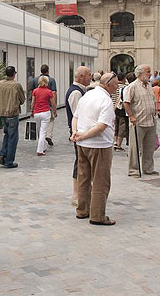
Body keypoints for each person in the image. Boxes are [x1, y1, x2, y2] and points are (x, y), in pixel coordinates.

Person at [70, 72, 119, 226]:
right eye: (116, 85)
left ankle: (82, 210)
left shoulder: (87, 96)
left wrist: (75, 133)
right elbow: (102, 126)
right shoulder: (105, 100)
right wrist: (82, 135)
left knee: (83, 178)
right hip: (99, 145)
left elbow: (75, 117)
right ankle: (97, 215)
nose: (117, 87)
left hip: (83, 145)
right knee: (100, 181)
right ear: (108, 84)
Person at [124, 65, 158, 177]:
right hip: (138, 121)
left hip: (151, 120)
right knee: (135, 147)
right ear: (140, 74)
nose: (150, 74)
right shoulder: (132, 87)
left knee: (149, 147)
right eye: (148, 72)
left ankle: (148, 168)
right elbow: (126, 102)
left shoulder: (149, 85)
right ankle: (133, 170)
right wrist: (131, 116)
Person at [66, 66, 92, 205]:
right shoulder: (76, 93)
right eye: (88, 74)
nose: (91, 77)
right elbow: (78, 115)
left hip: (81, 132)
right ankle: (76, 195)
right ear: (81, 76)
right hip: (78, 132)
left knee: (82, 161)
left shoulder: (82, 90)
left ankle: (84, 192)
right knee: (80, 161)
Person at [0, 66, 26, 169]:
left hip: (2, 113)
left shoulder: (0, 84)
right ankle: (9, 161)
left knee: (7, 134)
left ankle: (3, 153)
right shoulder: (16, 85)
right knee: (13, 138)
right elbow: (22, 99)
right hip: (12, 114)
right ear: (14, 74)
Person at [31, 65, 57, 146]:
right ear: (48, 71)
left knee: (40, 125)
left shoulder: (35, 80)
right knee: (51, 120)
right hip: (47, 105)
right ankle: (48, 135)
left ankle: (42, 142)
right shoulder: (52, 80)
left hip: (37, 106)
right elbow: (54, 93)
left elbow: (32, 94)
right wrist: (54, 107)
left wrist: (32, 108)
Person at [113, 73, 128, 151]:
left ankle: (115, 142)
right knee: (122, 127)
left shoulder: (113, 86)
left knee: (116, 126)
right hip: (121, 108)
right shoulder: (125, 87)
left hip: (113, 108)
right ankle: (118, 144)